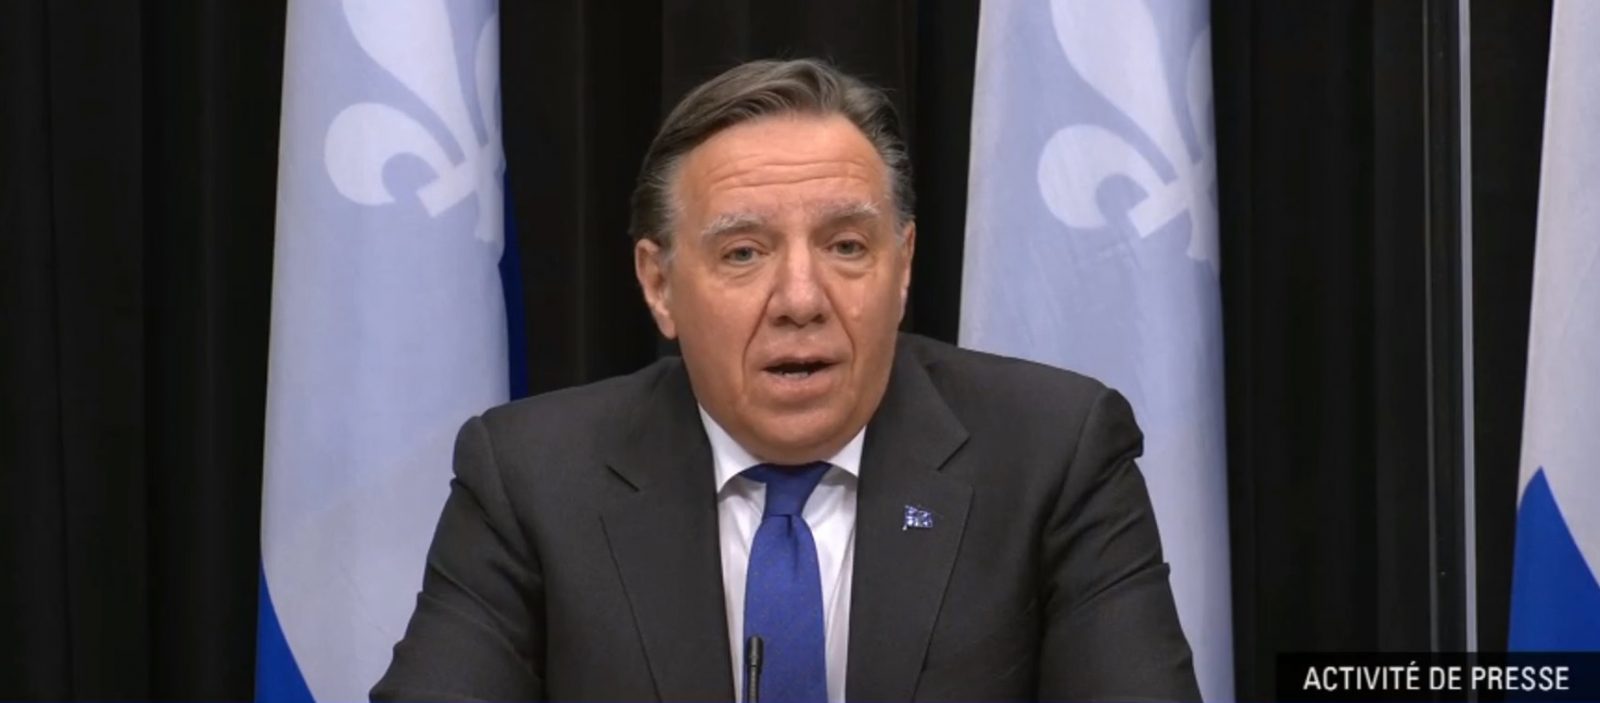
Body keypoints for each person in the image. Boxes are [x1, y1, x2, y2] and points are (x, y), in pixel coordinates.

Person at [372, 58, 1199, 702]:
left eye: (847, 246)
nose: (801, 299)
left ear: (903, 266)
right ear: (659, 285)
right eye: (744, 253)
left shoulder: (1053, 454)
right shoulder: (531, 478)